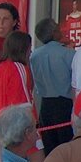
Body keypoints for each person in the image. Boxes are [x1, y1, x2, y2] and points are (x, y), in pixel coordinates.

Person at [29, 17, 74, 154]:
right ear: (54, 32)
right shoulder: (68, 53)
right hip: (64, 105)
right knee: (67, 147)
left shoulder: (33, 56)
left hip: (45, 106)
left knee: (49, 148)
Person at [0, 31, 34, 113]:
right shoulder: (18, 68)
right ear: (23, 49)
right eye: (30, 48)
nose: (30, 52)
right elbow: (23, 102)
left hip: (0, 119)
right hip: (16, 121)